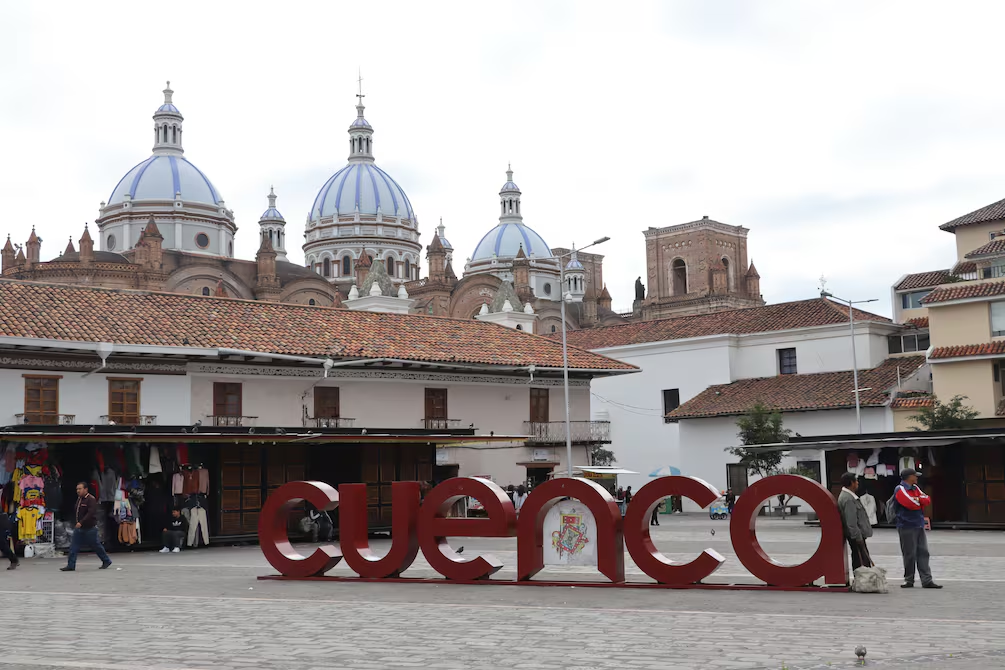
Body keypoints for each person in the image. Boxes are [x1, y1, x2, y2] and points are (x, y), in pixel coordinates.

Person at [894, 468, 942, 589]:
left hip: (918, 524)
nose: (917, 478)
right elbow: (911, 504)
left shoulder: (916, 488)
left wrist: (919, 500)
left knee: (923, 552)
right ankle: (909, 579)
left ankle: (926, 580)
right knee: (909, 553)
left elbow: (927, 499)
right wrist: (919, 500)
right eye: (915, 476)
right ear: (908, 477)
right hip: (906, 525)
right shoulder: (900, 489)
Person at [61, 482, 112, 572]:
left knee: (96, 546)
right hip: (79, 529)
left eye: (80, 489)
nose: (78, 491)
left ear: (86, 489)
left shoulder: (91, 499)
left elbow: (90, 513)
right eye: (77, 489)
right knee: (73, 547)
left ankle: (106, 560)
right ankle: (71, 565)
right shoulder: (79, 499)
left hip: (90, 528)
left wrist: (81, 522)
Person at [838, 473, 873, 571]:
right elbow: (851, 521)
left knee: (861, 558)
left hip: (857, 535)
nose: (857, 483)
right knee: (861, 560)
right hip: (856, 536)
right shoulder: (848, 499)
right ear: (851, 483)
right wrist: (858, 537)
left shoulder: (850, 496)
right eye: (856, 481)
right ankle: (863, 581)